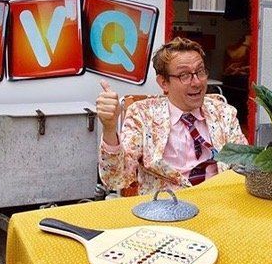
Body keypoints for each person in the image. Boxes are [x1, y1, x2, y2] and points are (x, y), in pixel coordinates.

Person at [96, 37, 248, 194]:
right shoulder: (142, 115)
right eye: (184, 75)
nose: (197, 82)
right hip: (165, 204)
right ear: (163, 83)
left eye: (200, 72)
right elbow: (115, 179)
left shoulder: (223, 113)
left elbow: (244, 165)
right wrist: (109, 128)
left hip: (217, 199)